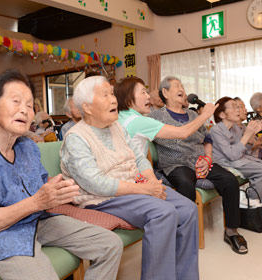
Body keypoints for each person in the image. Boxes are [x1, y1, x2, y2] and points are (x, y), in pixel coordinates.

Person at [0, 70, 123, 280]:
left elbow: (38, 190)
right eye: (16, 101)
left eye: (29, 105)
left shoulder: (27, 146)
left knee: (110, 244)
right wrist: (38, 201)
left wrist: (56, 188)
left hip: (32, 220)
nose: (25, 111)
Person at [61, 76, 199, 280]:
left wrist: (151, 181)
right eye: (105, 95)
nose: (113, 99)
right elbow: (96, 184)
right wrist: (145, 189)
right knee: (163, 212)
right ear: (87, 107)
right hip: (101, 198)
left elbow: (139, 158)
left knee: (188, 209)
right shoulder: (76, 138)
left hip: (134, 187)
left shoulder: (117, 127)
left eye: (112, 93)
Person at [148, 77, 249, 254]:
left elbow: (207, 138)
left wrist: (208, 158)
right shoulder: (155, 117)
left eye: (183, 86)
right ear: (165, 92)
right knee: (186, 184)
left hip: (200, 159)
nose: (182, 89)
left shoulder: (193, 114)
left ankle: (231, 231)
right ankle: (183, 235)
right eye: (177, 86)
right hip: (175, 163)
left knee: (229, 180)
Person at [116, 76, 216, 157]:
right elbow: (183, 132)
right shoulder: (139, 121)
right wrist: (205, 114)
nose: (148, 96)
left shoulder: (120, 117)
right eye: (143, 92)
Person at [210, 97, 262, 205]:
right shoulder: (216, 130)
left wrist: (252, 134)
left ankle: (258, 205)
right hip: (226, 162)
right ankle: (251, 205)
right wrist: (247, 134)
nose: (237, 110)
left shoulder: (235, 127)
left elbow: (247, 151)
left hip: (241, 158)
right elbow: (231, 155)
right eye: (233, 107)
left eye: (237, 107)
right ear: (222, 114)